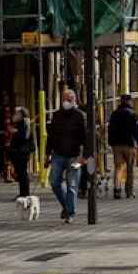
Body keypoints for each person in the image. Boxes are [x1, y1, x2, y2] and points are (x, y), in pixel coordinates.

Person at [47, 87, 87, 222]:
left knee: (73, 184)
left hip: (74, 155)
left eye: (68, 100)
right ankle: (67, 205)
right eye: (64, 99)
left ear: (74, 100)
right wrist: (47, 153)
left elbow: (86, 137)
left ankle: (70, 213)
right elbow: (50, 136)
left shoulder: (80, 116)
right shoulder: (57, 115)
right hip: (58, 154)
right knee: (54, 182)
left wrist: (85, 156)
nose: (66, 102)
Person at [108, 92, 138, 199]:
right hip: (129, 145)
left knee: (118, 168)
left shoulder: (114, 114)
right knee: (129, 168)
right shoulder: (133, 114)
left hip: (117, 145)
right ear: (129, 101)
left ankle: (117, 190)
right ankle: (129, 191)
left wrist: (111, 143)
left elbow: (110, 129)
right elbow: (137, 132)